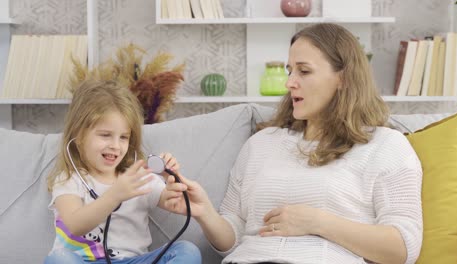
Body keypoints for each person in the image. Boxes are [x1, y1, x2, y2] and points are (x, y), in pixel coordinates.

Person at [163, 23, 423, 264]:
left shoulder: (386, 145)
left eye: (304, 71)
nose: (289, 83)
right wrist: (204, 212)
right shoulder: (261, 144)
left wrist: (317, 222)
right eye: (290, 71)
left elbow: (403, 248)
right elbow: (234, 238)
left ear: (343, 78)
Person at [44, 80, 201, 264]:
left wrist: (172, 183)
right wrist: (115, 195)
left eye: (124, 137)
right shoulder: (69, 179)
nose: (115, 146)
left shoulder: (137, 177)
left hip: (134, 261)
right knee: (58, 259)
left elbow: (171, 200)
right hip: (84, 262)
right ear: (78, 136)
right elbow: (75, 225)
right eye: (105, 135)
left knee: (187, 250)